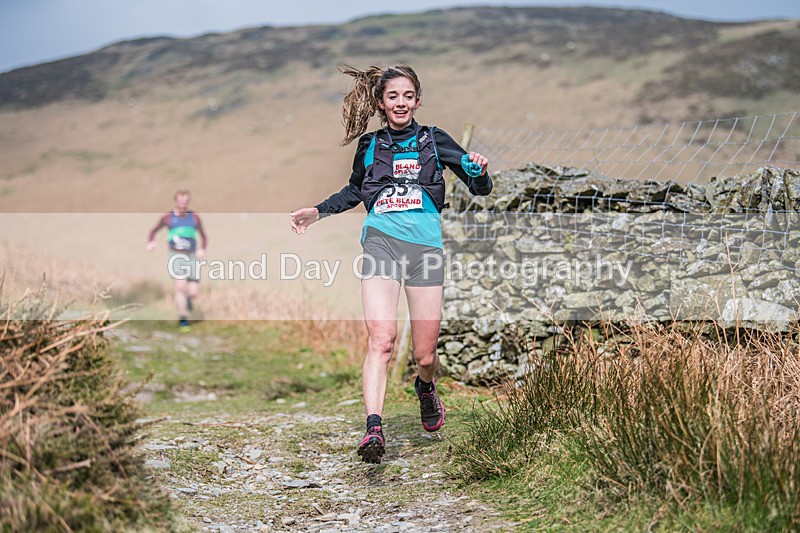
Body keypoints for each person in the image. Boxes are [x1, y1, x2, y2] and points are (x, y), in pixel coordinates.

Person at [290, 65, 492, 463]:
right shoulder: (369, 146)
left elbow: (479, 187)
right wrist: (318, 211)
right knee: (381, 342)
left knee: (425, 357)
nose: (401, 103)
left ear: (417, 100)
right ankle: (374, 429)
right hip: (381, 247)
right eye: (393, 96)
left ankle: (425, 387)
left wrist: (480, 172)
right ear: (381, 103)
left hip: (425, 253)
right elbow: (353, 190)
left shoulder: (435, 140)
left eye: (408, 96)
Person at [146, 190, 207, 332]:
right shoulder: (167, 217)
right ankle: (183, 319)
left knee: (193, 292)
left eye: (185, 201)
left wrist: (202, 249)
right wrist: (151, 242)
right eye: (180, 201)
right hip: (175, 255)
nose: (183, 204)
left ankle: (189, 299)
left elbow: (204, 237)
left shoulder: (195, 217)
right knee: (180, 287)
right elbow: (153, 231)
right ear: (175, 201)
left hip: (191, 256)